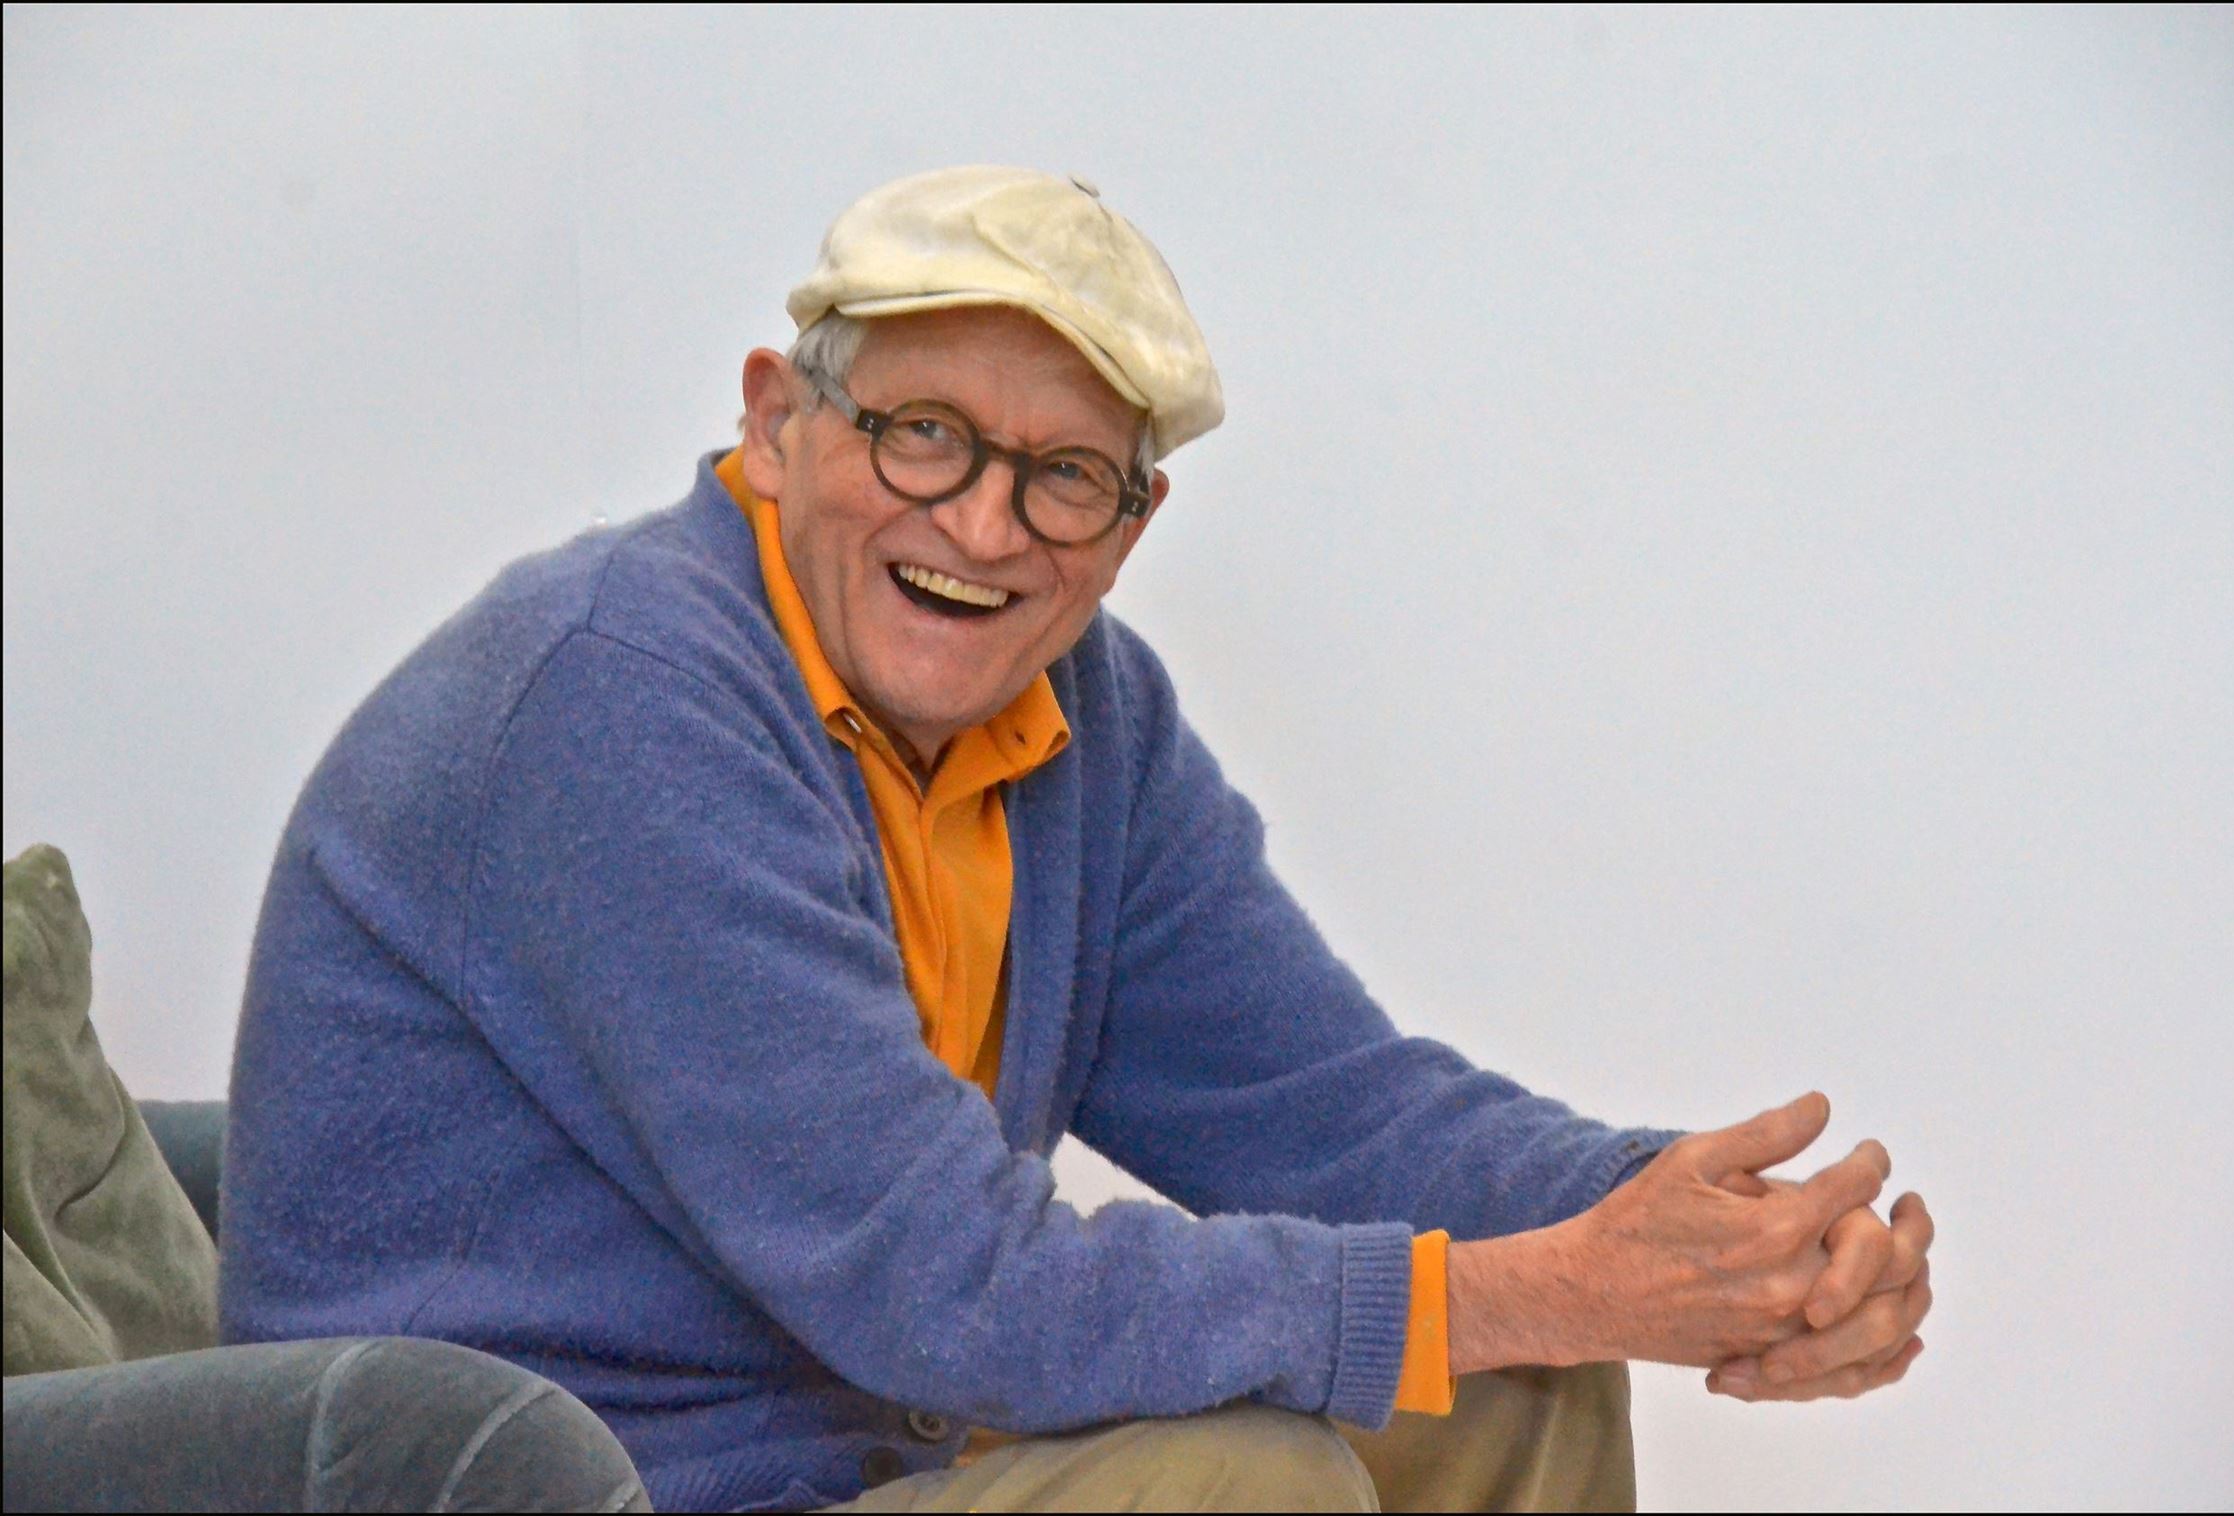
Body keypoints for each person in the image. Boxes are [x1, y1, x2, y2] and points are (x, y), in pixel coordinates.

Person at [221, 165, 1934, 1513]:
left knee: (1511, 1380)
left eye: (1060, 474)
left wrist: (1709, 1232)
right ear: (773, 417)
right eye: (923, 433)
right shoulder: (619, 696)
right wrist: (1544, 1286)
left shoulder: (1083, 720)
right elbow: (944, 1288)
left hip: (858, 1466)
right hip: (575, 1489)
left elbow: (1333, 1111)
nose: (979, 522)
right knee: (1245, 1480)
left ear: (1130, 523)